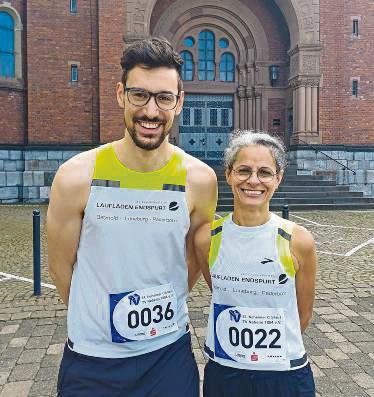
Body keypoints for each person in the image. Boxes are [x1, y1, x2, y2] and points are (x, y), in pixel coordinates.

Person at [47, 37, 217, 397]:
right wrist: (101, 318)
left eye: (164, 98)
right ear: (121, 94)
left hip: (167, 356)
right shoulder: (76, 176)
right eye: (140, 95)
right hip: (93, 360)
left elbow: (191, 260)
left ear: (179, 102)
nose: (151, 112)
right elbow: (61, 270)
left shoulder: (200, 179)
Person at [196, 130, 317, 397]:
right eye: (243, 171)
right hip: (225, 370)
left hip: (284, 374)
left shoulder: (298, 240)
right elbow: (220, 291)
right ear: (228, 174)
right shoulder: (206, 238)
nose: (253, 180)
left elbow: (302, 315)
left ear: (278, 178)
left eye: (264, 172)